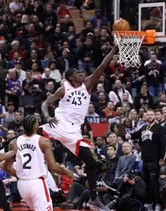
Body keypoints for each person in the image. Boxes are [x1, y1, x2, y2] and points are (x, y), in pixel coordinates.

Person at [40, 46, 117, 210]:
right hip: (59, 123)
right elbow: (45, 103)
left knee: (92, 163)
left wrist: (113, 50)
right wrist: (47, 116)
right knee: (32, 129)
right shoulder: (64, 88)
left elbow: (101, 67)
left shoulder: (87, 85)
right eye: (77, 73)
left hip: (75, 131)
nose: (81, 75)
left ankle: (93, 199)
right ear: (70, 77)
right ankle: (5, 148)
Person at [3, 115, 73, 211]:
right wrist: (67, 172)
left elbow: (6, 166)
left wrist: (21, 175)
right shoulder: (43, 141)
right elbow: (53, 167)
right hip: (37, 184)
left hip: (22, 185)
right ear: (35, 126)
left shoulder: (14, 142)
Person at [125, 109, 166, 211]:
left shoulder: (159, 128)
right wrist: (130, 135)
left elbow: (163, 144)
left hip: (154, 160)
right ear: (146, 116)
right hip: (145, 160)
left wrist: (161, 158)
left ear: (155, 117)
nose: (150, 116)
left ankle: (157, 204)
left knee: (154, 183)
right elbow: (136, 134)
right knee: (146, 183)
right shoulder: (144, 127)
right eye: (149, 114)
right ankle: (149, 202)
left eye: (152, 114)